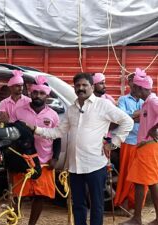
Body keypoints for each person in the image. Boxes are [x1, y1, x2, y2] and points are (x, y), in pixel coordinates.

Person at [31, 73, 133, 225]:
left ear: (92, 87)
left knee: (96, 205)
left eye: (85, 85)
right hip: (75, 167)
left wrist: (114, 143)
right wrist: (35, 129)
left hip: (96, 164)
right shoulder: (71, 109)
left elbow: (127, 121)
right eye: (78, 85)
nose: (81, 88)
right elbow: (57, 132)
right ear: (74, 88)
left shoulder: (103, 105)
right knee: (78, 205)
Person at [10, 75, 60, 225]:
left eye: (42, 93)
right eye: (35, 93)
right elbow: (12, 134)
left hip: (44, 161)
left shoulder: (53, 115)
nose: (38, 96)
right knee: (17, 195)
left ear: (47, 95)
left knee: (40, 196)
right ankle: (14, 221)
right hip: (23, 160)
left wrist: (55, 157)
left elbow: (58, 137)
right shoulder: (18, 111)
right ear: (30, 93)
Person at [120, 71, 158, 225]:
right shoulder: (147, 102)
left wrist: (154, 128)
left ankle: (138, 219)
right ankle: (138, 218)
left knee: (151, 183)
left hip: (148, 146)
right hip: (144, 146)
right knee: (141, 182)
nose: (132, 91)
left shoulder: (153, 101)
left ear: (140, 89)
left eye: (134, 88)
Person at [114, 68, 147, 213]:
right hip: (128, 141)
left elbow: (148, 117)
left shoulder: (147, 99)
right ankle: (125, 203)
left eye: (138, 82)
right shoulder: (123, 99)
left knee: (142, 175)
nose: (135, 85)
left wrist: (133, 116)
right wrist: (139, 115)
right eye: (133, 81)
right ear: (129, 83)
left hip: (144, 142)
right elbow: (122, 118)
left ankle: (137, 205)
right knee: (127, 174)